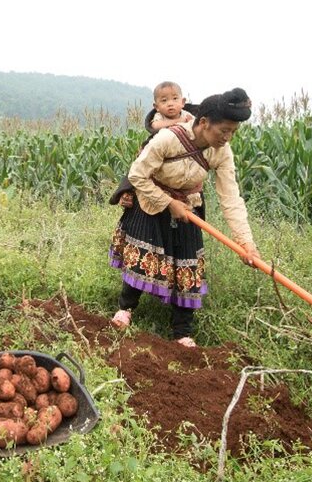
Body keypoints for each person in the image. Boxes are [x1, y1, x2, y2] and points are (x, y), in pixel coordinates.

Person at [108, 87, 260, 347]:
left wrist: (246, 244)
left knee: (187, 267)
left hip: (189, 207)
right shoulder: (167, 139)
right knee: (142, 258)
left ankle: (182, 332)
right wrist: (168, 203)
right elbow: (137, 175)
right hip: (151, 200)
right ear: (203, 123)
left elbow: (231, 199)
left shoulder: (222, 152)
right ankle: (125, 308)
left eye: (233, 132)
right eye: (224, 130)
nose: (228, 137)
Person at [109, 81, 197, 209]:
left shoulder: (187, 115)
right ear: (156, 106)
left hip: (182, 146)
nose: (170, 103)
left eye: (175, 99)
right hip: (158, 144)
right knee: (139, 165)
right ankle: (125, 191)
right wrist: (179, 122)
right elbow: (155, 126)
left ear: (183, 102)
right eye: (164, 101)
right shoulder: (159, 116)